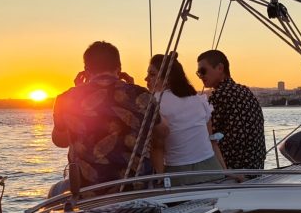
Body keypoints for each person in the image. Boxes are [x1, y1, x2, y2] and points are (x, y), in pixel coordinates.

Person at [51, 41, 161, 193]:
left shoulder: (66, 99)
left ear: (86, 70)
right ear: (119, 68)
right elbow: (162, 132)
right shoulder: (142, 95)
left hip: (89, 192)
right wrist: (133, 90)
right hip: (135, 187)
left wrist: (78, 91)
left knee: (55, 191)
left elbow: (60, 141)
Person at [146, 54, 226, 185]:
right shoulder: (198, 99)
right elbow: (212, 141)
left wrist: (161, 182)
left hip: (181, 176)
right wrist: (226, 172)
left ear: (167, 78)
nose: (146, 79)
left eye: (152, 74)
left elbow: (157, 147)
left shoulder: (155, 102)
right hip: (213, 171)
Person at [196, 50, 266, 172]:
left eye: (203, 71)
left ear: (219, 68)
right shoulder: (245, 91)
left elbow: (207, 133)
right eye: (198, 73)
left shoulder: (220, 95)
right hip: (255, 165)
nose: (200, 76)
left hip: (234, 166)